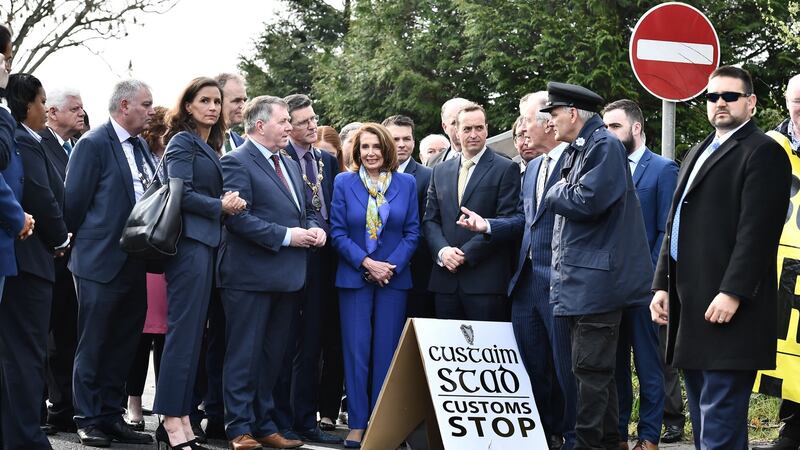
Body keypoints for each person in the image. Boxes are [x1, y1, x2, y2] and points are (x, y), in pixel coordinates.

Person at [650, 66, 791, 450]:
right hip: (689, 306)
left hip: (729, 310)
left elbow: (758, 233)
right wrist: (661, 284)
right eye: (712, 97)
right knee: (706, 425)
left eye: (730, 96)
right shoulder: (698, 149)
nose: (720, 104)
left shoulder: (764, 151)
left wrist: (733, 291)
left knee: (719, 427)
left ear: (751, 102)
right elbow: (674, 221)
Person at [540, 81, 653, 450]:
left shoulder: (602, 145)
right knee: (592, 373)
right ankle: (608, 442)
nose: (549, 123)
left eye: (553, 115)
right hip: (582, 284)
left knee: (590, 374)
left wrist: (554, 190)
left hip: (595, 285)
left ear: (573, 113)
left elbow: (586, 200)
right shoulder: (583, 148)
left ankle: (591, 445)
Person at [218, 95, 325, 450]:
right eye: (283, 122)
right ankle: (238, 428)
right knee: (244, 355)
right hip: (250, 277)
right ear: (260, 125)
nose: (290, 127)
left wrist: (314, 228)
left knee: (273, 357)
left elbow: (306, 209)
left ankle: (265, 424)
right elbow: (239, 219)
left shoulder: (290, 163)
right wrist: (287, 237)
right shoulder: (236, 162)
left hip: (288, 276)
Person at [153, 77, 245, 450]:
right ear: (188, 106)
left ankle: (184, 420)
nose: (212, 106)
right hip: (188, 245)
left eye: (216, 101)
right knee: (183, 335)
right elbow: (180, 193)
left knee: (194, 337)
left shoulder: (211, 144)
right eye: (204, 100)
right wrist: (219, 205)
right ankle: (172, 422)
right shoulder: (181, 141)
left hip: (206, 245)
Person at [65, 79, 157, 447]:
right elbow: (74, 203)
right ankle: (87, 418)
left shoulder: (142, 147)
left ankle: (110, 414)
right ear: (124, 106)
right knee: (95, 343)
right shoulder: (93, 144)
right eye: (146, 104)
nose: (152, 110)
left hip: (136, 261)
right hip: (99, 261)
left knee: (123, 344)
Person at [330, 122, 420, 448]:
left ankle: (381, 424)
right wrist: (366, 263)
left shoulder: (406, 183)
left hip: (392, 280)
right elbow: (337, 232)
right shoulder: (343, 182)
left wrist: (389, 267)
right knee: (356, 353)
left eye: (376, 147)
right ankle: (356, 423)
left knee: (386, 353)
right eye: (364, 147)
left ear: (387, 150)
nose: (370, 153)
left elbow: (413, 232)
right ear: (356, 151)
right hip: (355, 277)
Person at [602, 99, 676, 450]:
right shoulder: (604, 168)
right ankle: (617, 435)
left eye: (614, 127)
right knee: (615, 369)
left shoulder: (662, 169)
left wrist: (654, 280)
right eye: (605, 128)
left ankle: (648, 437)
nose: (608, 134)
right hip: (608, 289)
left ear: (635, 128)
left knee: (649, 367)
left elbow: (667, 229)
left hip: (646, 289)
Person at [0, 73, 69, 450]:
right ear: (27, 105)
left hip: (17, 260)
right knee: (27, 355)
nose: (45, 109)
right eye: (42, 102)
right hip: (29, 259)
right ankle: (26, 438)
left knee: (14, 354)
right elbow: (43, 196)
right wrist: (60, 239)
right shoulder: (26, 141)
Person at [272, 93, 341, 445]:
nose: (313, 126)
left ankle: (305, 418)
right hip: (289, 255)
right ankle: (280, 417)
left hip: (322, 259)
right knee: (286, 343)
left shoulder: (328, 161)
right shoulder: (279, 161)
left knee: (312, 342)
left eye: (314, 119)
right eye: (303, 122)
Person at [423, 102, 523, 321]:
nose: (474, 134)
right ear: (456, 132)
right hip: (445, 281)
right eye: (467, 129)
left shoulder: (505, 168)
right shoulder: (439, 171)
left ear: (487, 129)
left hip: (485, 282)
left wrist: (464, 254)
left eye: (479, 128)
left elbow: (509, 220)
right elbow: (430, 220)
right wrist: (443, 252)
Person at [755, 73, 800, 450]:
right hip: (784, 263)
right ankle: (791, 426)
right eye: (797, 100)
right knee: (791, 347)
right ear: (786, 102)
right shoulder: (771, 145)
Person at [38, 86, 84, 433]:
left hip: (72, 255)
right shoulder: (38, 143)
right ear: (52, 112)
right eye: (74, 108)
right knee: (42, 336)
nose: (81, 113)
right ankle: (38, 409)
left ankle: (64, 406)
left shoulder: (75, 148)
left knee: (66, 334)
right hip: (46, 252)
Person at [122, 105, 168, 431]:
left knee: (167, 337)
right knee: (142, 335)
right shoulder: (142, 161)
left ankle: (167, 406)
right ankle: (133, 401)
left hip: (170, 258)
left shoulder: (174, 161)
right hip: (145, 258)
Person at [382, 115, 434, 319]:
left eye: (407, 139)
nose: (402, 145)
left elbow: (425, 226)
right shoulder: (370, 174)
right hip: (373, 270)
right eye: (395, 139)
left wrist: (393, 262)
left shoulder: (428, 176)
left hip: (414, 272)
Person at [425, 97, 471, 167]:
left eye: (465, 122)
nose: (461, 128)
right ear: (445, 127)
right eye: (454, 123)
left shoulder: (491, 159)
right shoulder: (432, 162)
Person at [216, 73, 248, 153]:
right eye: (236, 100)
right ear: (218, 101)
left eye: (244, 100)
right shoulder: (197, 142)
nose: (243, 106)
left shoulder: (244, 144)